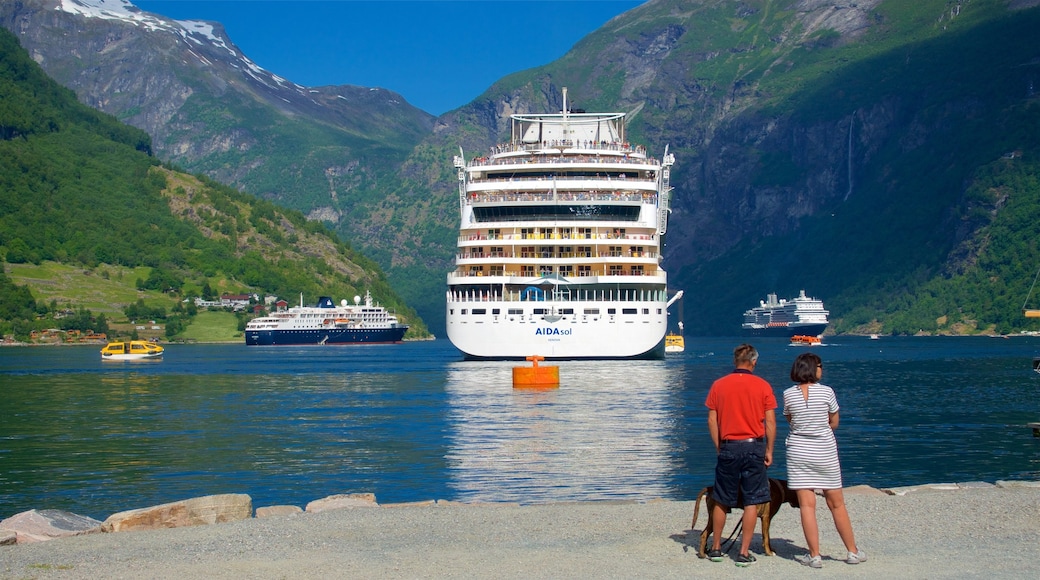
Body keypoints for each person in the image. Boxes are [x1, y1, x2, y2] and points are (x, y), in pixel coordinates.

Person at [783, 352, 867, 568]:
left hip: (799, 451)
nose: (822, 369)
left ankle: (815, 555)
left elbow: (791, 421)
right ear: (813, 368)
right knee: (836, 503)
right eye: (819, 365)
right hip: (824, 450)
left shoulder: (788, 394)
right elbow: (834, 422)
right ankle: (852, 551)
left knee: (807, 505)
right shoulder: (827, 392)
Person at [704, 344, 777, 567]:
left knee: (722, 498)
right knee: (752, 500)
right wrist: (769, 450)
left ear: (735, 361)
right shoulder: (763, 386)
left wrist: (719, 447)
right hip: (753, 446)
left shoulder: (719, 385)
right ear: (754, 362)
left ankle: (716, 547)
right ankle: (743, 552)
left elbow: (712, 420)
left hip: (729, 446)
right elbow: (770, 422)